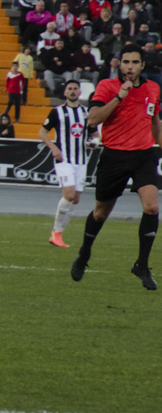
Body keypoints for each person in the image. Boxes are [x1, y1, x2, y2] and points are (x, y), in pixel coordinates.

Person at [71, 44, 162, 289]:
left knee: (152, 207)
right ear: (119, 64)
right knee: (101, 212)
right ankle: (84, 253)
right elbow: (92, 119)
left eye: (135, 62)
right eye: (126, 62)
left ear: (142, 65)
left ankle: (141, 265)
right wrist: (120, 95)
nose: (130, 67)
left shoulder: (153, 88)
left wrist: (160, 146)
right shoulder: (107, 87)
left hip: (144, 155)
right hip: (114, 156)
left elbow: (154, 120)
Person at [40, 81, 92, 248]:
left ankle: (58, 233)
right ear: (64, 92)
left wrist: (94, 142)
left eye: (75, 89)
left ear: (79, 92)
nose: (72, 91)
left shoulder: (86, 113)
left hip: (81, 161)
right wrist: (53, 148)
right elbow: (42, 132)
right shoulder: (57, 112)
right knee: (69, 195)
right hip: (64, 159)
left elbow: (95, 134)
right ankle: (56, 232)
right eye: (69, 89)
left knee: (75, 199)